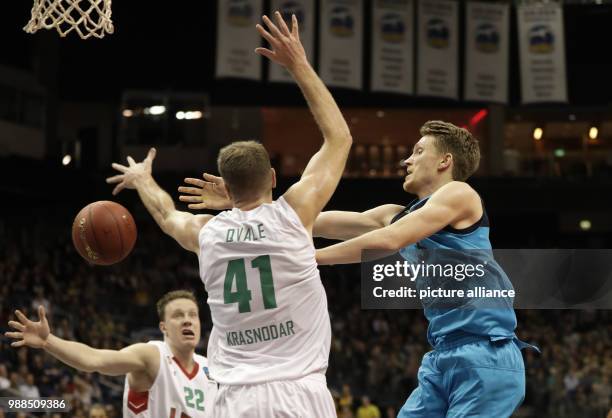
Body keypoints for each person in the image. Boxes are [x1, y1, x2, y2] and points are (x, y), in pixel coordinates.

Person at [181, 121, 533, 417]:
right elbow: (300, 221)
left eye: (418, 152)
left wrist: (306, 259)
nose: (405, 160)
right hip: (443, 356)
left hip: (488, 354)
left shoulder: (461, 194)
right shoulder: (397, 212)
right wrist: (248, 203)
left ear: (445, 161)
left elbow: (390, 240)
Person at [106, 11, 352, 418]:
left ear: (224, 186)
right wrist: (298, 64)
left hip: (234, 399)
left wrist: (143, 179)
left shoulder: (207, 233)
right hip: (299, 393)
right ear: (273, 177)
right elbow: (339, 137)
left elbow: (168, 216)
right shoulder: (295, 215)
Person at [5, 290, 217, 418]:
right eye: (178, 315)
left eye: (193, 315)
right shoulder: (152, 355)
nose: (188, 320)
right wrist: (48, 341)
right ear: (163, 327)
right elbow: (94, 359)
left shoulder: (211, 370)